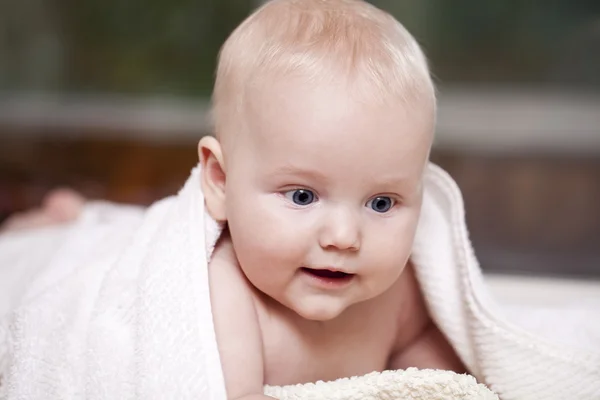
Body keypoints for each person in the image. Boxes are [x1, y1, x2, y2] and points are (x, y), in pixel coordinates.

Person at [1, 1, 465, 399]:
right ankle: (59, 223)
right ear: (220, 180)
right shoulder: (225, 292)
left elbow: (427, 355)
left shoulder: (397, 293)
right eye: (302, 196)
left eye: (381, 203)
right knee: (48, 257)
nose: (344, 237)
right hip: (80, 261)